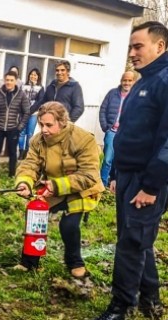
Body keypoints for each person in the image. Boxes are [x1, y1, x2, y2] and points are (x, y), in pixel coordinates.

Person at [86, 21, 168, 320]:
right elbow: (130, 134)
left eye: (138, 46)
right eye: (131, 47)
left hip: (149, 181)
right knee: (137, 240)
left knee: (131, 244)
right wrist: (119, 173)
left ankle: (119, 310)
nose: (132, 53)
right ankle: (151, 301)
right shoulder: (143, 81)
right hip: (130, 177)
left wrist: (150, 185)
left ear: (159, 46)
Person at [15, 101, 105, 277]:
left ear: (62, 122)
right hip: (53, 189)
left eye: (49, 125)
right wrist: (24, 183)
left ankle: (76, 264)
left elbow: (89, 175)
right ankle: (29, 261)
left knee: (69, 225)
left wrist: (57, 186)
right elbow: (30, 165)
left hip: (82, 190)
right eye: (41, 124)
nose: (44, 129)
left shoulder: (84, 139)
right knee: (34, 214)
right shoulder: (38, 141)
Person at [0, 71, 30, 180]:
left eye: (11, 80)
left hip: (13, 128)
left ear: (16, 81)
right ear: (4, 80)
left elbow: (26, 112)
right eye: (7, 80)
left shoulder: (21, 95)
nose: (9, 82)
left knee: (12, 153)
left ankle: (11, 175)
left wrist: (20, 127)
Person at [98, 71, 135, 185]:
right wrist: (106, 127)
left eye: (129, 80)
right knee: (108, 159)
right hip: (112, 132)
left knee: (122, 160)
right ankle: (102, 183)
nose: (127, 83)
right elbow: (103, 110)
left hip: (126, 134)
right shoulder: (112, 93)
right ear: (121, 81)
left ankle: (116, 183)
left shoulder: (136, 96)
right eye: (125, 80)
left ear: (133, 82)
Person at [18, 68, 44, 159]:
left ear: (38, 77)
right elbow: (19, 98)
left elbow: (40, 101)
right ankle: (21, 152)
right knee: (21, 133)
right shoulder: (23, 86)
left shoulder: (40, 88)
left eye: (35, 75)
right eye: (31, 74)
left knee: (30, 133)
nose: (33, 76)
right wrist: (23, 110)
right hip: (22, 113)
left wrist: (30, 111)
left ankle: (27, 151)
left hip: (33, 114)